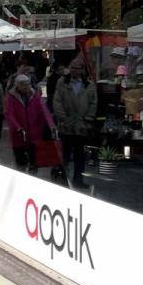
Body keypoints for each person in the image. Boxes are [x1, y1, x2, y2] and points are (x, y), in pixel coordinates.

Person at [52, 59, 96, 189]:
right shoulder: (62, 82)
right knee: (64, 153)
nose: (75, 70)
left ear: (82, 70)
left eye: (78, 68)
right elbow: (57, 101)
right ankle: (62, 178)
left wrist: (89, 117)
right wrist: (62, 118)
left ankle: (78, 179)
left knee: (79, 155)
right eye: (72, 67)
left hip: (82, 125)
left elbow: (93, 102)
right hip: (66, 124)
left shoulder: (89, 84)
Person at [5, 72, 56, 175]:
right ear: (17, 85)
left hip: (34, 133)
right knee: (21, 161)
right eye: (23, 84)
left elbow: (44, 110)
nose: (26, 87)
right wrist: (17, 127)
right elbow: (10, 114)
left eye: (28, 84)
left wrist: (51, 125)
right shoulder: (11, 97)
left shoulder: (35, 95)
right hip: (19, 134)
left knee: (34, 160)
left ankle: (32, 176)